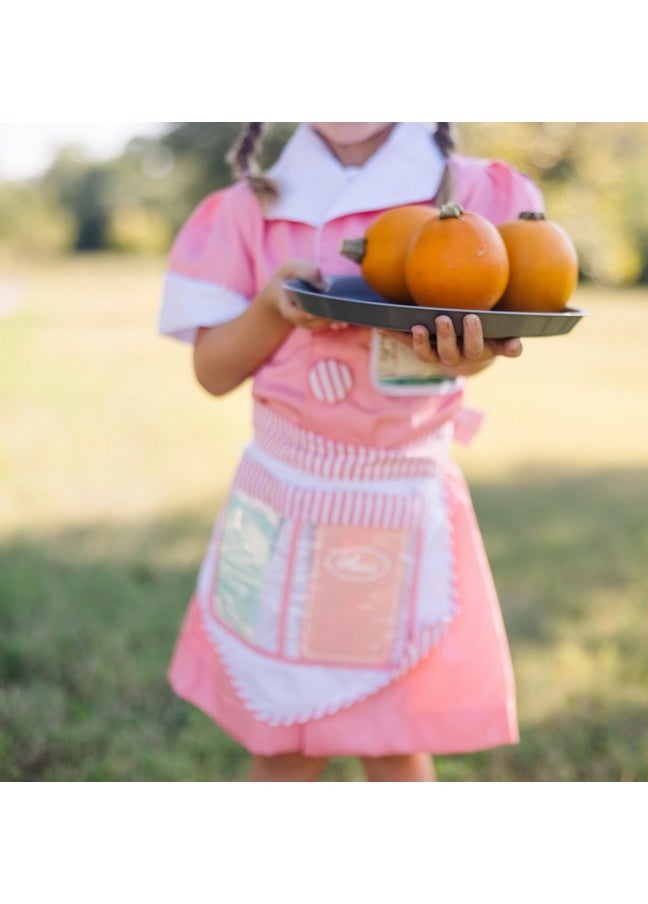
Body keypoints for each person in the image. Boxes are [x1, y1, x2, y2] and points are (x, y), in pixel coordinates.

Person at [158, 122, 544, 782]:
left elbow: (478, 352)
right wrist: (274, 308)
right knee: (280, 744)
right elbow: (213, 371)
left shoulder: (478, 193)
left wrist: (469, 354)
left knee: (392, 742)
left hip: (395, 505)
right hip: (279, 504)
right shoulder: (252, 208)